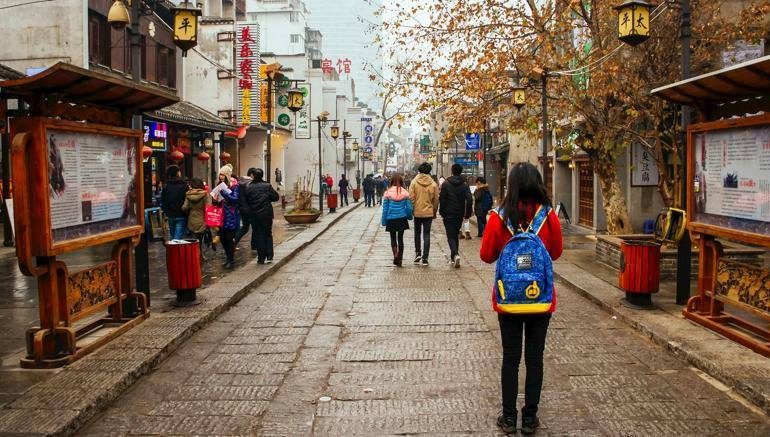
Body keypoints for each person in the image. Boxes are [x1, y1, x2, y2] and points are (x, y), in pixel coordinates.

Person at [480, 162, 562, 435]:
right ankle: (529, 419)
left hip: (509, 300)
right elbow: (556, 252)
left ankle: (508, 417)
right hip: (540, 299)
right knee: (535, 359)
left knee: (511, 358)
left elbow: (486, 255)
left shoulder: (499, 217)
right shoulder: (548, 217)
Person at [242, 168, 279, 264]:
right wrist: (267, 199)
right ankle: (270, 255)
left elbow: (245, 201)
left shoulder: (249, 187)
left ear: (253, 176)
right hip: (266, 213)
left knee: (258, 234)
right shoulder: (267, 186)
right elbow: (276, 197)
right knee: (267, 233)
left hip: (254, 214)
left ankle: (261, 257)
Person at [439, 164, 473, 268]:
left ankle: (455, 254)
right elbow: (470, 199)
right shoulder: (464, 185)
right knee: (455, 235)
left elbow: (442, 199)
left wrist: (442, 211)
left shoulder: (446, 184)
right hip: (459, 213)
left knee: (450, 236)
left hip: (448, 213)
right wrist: (467, 213)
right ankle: (454, 255)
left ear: (452, 171)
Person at [408, 162, 439, 266]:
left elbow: (411, 198)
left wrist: (412, 209)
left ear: (419, 170)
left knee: (417, 233)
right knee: (427, 234)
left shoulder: (414, 182)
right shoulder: (433, 184)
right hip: (428, 213)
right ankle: (425, 257)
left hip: (417, 212)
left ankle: (418, 253)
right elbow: (436, 200)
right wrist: (434, 211)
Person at [381, 174, 413, 267]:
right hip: (402, 218)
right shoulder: (405, 193)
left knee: (393, 238)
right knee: (401, 239)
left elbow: (385, 209)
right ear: (402, 182)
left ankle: (395, 255)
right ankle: (400, 258)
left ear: (391, 182)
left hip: (391, 219)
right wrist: (409, 216)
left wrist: (384, 221)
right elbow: (409, 208)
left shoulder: (387, 193)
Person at [214, 164, 240, 269]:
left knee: (229, 239)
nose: (221, 177)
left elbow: (234, 199)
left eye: (223, 175)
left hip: (231, 216)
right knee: (223, 239)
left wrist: (224, 193)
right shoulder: (220, 185)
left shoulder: (235, 186)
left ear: (227, 175)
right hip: (221, 216)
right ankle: (228, 258)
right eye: (220, 175)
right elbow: (217, 201)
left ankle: (231, 259)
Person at [181, 178, 211, 257]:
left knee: (193, 241)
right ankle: (200, 255)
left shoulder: (188, 194)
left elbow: (184, 208)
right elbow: (208, 207)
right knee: (200, 241)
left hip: (191, 221)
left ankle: (194, 256)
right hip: (202, 220)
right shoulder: (205, 194)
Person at [161, 165, 188, 240]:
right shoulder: (184, 185)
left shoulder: (166, 186)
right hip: (181, 214)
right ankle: (174, 251)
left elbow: (163, 200)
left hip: (170, 215)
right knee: (176, 239)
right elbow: (187, 199)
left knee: (174, 237)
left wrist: (166, 211)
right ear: (177, 173)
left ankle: (173, 251)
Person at [235, 172, 254, 247]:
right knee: (254, 228)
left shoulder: (238, 186)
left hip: (242, 209)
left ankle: (235, 240)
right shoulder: (249, 187)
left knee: (245, 228)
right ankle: (254, 245)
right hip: (250, 209)